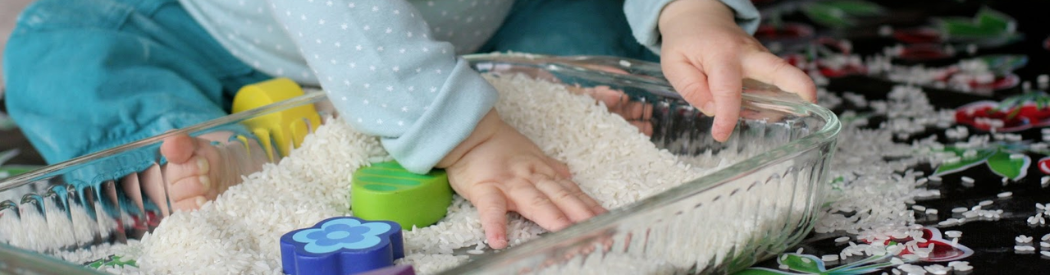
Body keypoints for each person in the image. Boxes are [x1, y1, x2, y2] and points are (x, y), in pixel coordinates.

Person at [3, 0, 815, 250]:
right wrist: (461, 136)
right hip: (230, 35)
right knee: (60, 52)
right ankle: (185, 147)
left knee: (586, 25)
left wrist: (690, 13)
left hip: (480, 28)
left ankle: (562, 100)